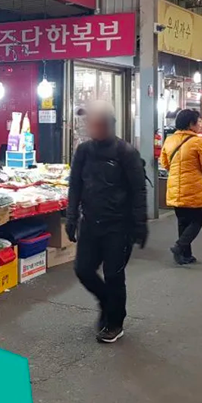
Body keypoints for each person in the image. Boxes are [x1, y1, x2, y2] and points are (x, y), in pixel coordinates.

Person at [66, 101, 148, 344]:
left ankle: (115, 323)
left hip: (118, 226)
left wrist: (140, 224)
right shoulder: (83, 151)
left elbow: (138, 190)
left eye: (95, 121)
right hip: (90, 223)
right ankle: (106, 302)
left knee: (114, 275)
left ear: (108, 123)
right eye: (89, 121)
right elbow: (75, 186)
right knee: (83, 269)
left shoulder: (126, 153)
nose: (90, 125)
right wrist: (71, 217)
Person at [160, 109, 202, 265]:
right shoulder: (197, 142)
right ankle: (179, 246)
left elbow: (164, 163)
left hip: (175, 187)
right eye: (198, 122)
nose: (200, 125)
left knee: (182, 222)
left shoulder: (169, 140)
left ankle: (185, 255)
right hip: (193, 187)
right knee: (197, 221)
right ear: (191, 124)